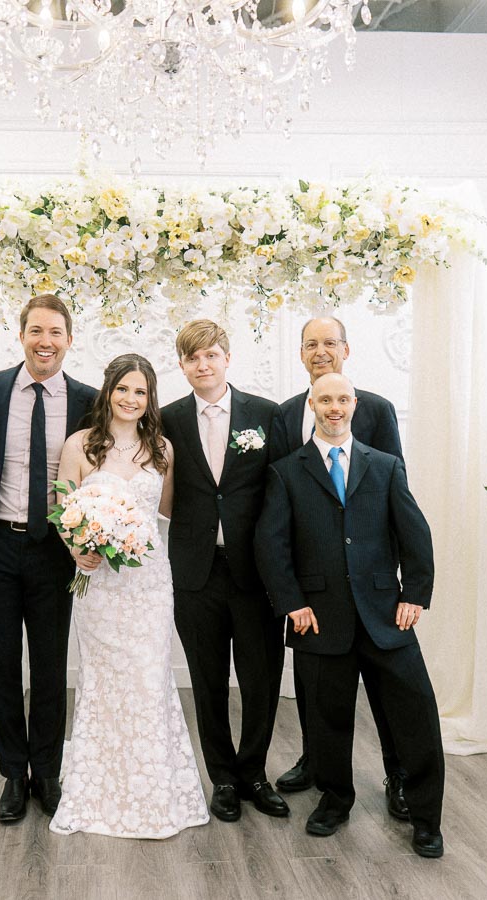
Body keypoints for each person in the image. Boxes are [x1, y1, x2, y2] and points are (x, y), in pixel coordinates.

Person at [255, 372, 445, 858]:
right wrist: (292, 602)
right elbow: (271, 545)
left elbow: (415, 533)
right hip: (318, 618)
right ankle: (335, 800)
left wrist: (415, 593)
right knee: (326, 720)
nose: (334, 407)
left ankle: (426, 816)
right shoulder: (286, 472)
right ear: (312, 406)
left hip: (386, 615)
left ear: (355, 404)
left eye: (342, 399)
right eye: (325, 400)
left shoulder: (385, 466)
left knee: (416, 716)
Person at [49, 354, 209, 839]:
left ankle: (154, 790)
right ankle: (98, 790)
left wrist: (129, 534)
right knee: (102, 681)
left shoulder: (161, 449)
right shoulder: (80, 444)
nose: (131, 399)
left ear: (149, 398)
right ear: (108, 391)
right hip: (98, 586)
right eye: (123, 389)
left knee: (149, 677)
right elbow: (63, 507)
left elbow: (164, 513)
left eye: (140, 392)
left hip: (149, 584)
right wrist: (79, 547)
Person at [268, 316, 410, 822]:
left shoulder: (376, 408)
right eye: (311, 344)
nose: (321, 351)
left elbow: (396, 493)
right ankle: (316, 762)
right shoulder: (286, 413)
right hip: (314, 583)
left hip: (370, 582)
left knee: (388, 691)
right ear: (300, 353)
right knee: (317, 686)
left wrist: (396, 583)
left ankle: (398, 778)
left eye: (330, 342)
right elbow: (280, 496)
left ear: (346, 350)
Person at [0, 294, 98, 823]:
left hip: (54, 547)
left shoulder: (88, 399)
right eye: (36, 331)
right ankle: (12, 774)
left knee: (49, 663)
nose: (45, 342)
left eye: (55, 332)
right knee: (0, 663)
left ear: (69, 339)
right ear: (21, 335)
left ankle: (47, 771)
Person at [160, 320, 289, 823]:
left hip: (256, 573)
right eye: (193, 358)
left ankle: (254, 773)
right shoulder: (167, 419)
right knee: (207, 680)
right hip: (196, 571)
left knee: (261, 679)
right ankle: (224, 780)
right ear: (182, 365)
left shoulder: (266, 414)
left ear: (227, 358)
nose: (203, 365)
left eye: (211, 355)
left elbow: (281, 491)